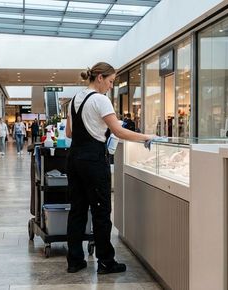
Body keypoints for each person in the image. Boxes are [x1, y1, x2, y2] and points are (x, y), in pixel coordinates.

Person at [66, 62, 156, 274]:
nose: (111, 86)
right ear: (99, 78)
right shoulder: (100, 100)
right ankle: (106, 261)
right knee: (101, 211)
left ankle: (75, 260)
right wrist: (146, 137)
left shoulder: (73, 100)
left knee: (77, 210)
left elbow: (69, 133)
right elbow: (119, 131)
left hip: (74, 159)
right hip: (93, 161)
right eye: (111, 81)